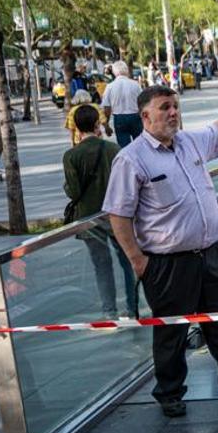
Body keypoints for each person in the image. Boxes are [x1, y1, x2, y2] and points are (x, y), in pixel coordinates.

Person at [103, 84, 218, 417]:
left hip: (211, 254)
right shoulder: (131, 159)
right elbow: (118, 214)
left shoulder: (190, 142)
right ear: (145, 115)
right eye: (165, 107)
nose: (173, 113)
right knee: (171, 333)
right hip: (167, 264)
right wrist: (137, 260)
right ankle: (169, 392)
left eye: (176, 106)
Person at [65, 105, 137, 319]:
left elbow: (74, 191)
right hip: (117, 215)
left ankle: (109, 311)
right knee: (127, 260)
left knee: (101, 264)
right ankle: (132, 308)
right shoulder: (113, 149)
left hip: (89, 218)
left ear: (76, 127)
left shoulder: (71, 155)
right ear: (97, 124)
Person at [101, 60, 144, 147]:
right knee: (140, 145)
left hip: (119, 118)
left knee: (124, 146)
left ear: (113, 72)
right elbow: (143, 103)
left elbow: (107, 108)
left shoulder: (110, 86)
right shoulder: (135, 84)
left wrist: (107, 125)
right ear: (127, 70)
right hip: (135, 117)